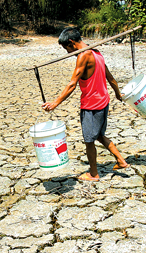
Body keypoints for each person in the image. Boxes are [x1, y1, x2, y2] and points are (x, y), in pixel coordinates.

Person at [42, 27, 130, 182]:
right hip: (104, 101)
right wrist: (116, 93)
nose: (67, 52)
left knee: (89, 140)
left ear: (71, 42)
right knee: (99, 135)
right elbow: (110, 77)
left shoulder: (83, 56)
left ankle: (94, 174)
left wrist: (55, 103)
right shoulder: (97, 53)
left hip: (92, 105)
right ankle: (121, 161)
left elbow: (72, 84)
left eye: (66, 48)